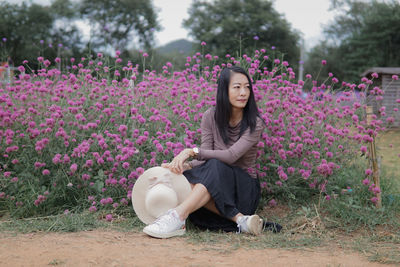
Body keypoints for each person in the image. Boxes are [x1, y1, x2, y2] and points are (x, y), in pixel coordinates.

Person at [143, 66, 266, 239]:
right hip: (218, 190)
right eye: (237, 87)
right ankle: (240, 220)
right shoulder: (210, 116)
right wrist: (184, 166)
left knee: (215, 165)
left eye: (247, 87)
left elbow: (230, 156)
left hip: (243, 191)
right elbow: (204, 160)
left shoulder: (255, 123)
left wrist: (192, 151)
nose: (243, 92)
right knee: (185, 175)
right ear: (224, 89)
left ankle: (177, 216)